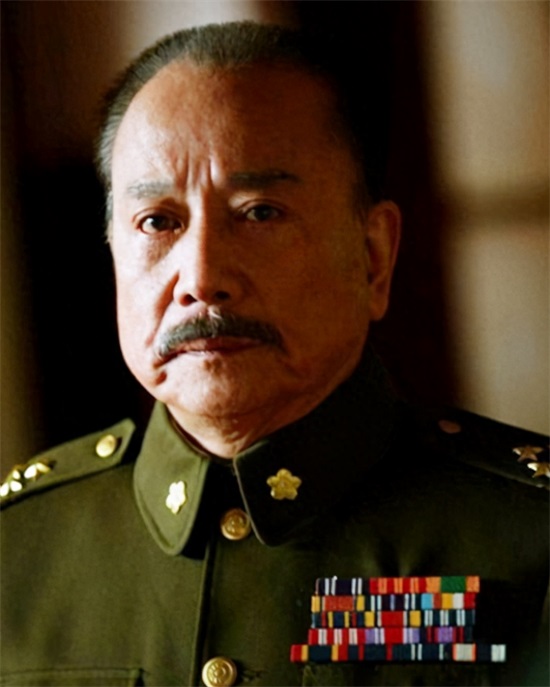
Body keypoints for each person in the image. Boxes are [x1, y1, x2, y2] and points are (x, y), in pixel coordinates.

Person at [1, 21, 548, 687]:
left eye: (259, 213)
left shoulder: (527, 533)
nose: (202, 278)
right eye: (158, 222)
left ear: (373, 257)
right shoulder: (17, 551)